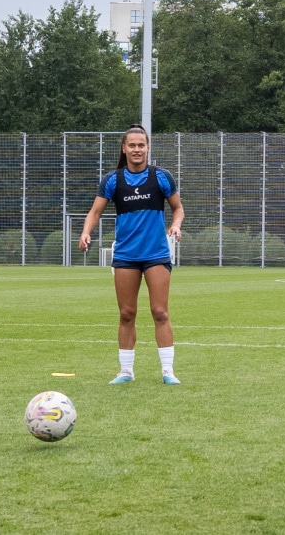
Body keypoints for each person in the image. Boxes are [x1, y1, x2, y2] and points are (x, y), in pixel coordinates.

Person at [79, 124, 185, 385]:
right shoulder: (112, 180)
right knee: (127, 313)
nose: (137, 149)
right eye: (132, 145)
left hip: (156, 254)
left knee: (160, 312)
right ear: (124, 149)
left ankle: (167, 371)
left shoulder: (161, 177)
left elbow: (178, 208)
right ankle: (126, 371)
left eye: (141, 145)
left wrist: (175, 225)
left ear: (147, 148)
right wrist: (85, 232)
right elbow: (95, 212)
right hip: (126, 255)